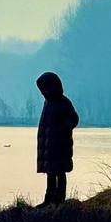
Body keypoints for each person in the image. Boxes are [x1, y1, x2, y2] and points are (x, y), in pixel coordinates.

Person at [35, 72, 79, 205]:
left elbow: (74, 119)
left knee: (59, 172)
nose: (43, 93)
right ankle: (49, 199)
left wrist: (62, 131)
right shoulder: (48, 103)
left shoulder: (63, 102)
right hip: (49, 148)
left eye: (45, 89)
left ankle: (59, 200)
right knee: (50, 173)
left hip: (60, 146)